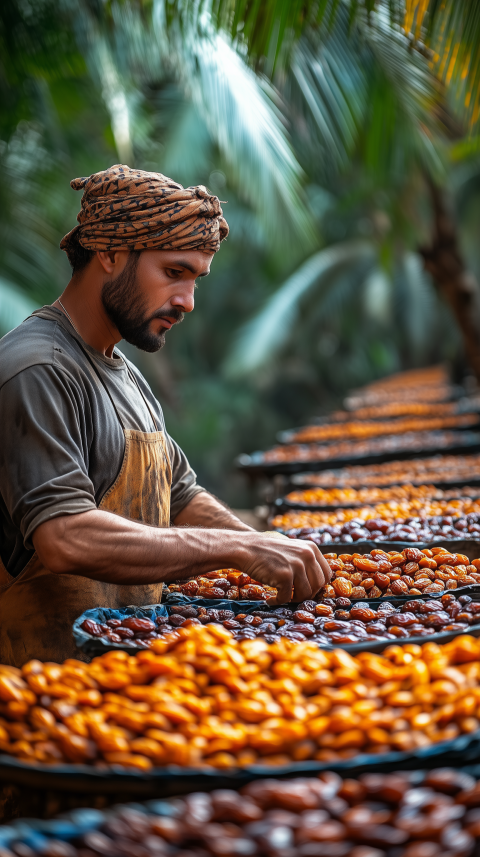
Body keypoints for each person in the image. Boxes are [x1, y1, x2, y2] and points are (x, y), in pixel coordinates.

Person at [0, 164, 331, 666]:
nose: (187, 302)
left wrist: (266, 547)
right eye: (174, 273)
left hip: (125, 686)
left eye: (196, 279)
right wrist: (237, 550)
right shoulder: (38, 369)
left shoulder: (124, 374)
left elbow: (180, 496)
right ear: (109, 253)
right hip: (43, 694)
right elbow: (64, 537)